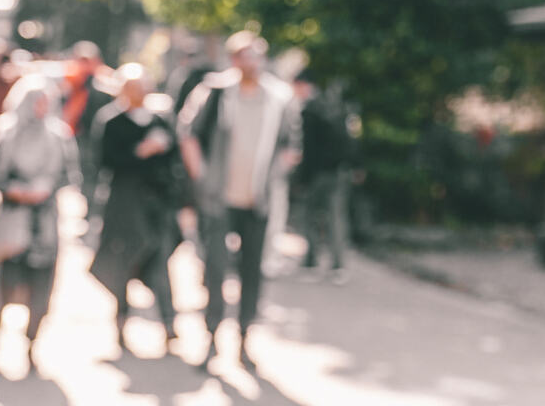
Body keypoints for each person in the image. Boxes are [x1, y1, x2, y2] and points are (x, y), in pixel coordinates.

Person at [178, 30, 300, 370]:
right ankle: (212, 337)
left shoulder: (278, 97)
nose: (252, 62)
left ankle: (245, 340)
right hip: (219, 199)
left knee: (252, 272)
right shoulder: (215, 92)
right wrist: (202, 176)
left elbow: (292, 146)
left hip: (257, 200)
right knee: (215, 269)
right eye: (245, 55)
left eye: (257, 55)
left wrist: (274, 178)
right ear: (234, 59)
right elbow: (188, 133)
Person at [89, 64, 186, 354]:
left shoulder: (160, 120)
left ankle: (169, 324)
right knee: (124, 262)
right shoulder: (111, 121)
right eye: (133, 88)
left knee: (159, 261)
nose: (139, 93)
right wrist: (141, 151)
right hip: (124, 202)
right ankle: (120, 324)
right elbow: (105, 161)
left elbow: (174, 158)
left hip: (157, 203)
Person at [0, 74, 80, 366]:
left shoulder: (59, 136)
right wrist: (16, 190)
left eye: (46, 102)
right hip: (14, 220)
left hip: (44, 224)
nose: (41, 108)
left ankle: (31, 345)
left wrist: (45, 189)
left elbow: (70, 176)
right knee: (7, 283)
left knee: (40, 288)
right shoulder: (6, 131)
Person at [291, 68, 353, 283]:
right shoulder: (334, 107)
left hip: (316, 173)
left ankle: (311, 261)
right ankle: (338, 266)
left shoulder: (309, 110)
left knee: (309, 217)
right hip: (337, 171)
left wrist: (301, 179)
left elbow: (308, 149)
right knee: (336, 218)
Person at [62, 40, 115, 234]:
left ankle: (94, 214)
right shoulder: (73, 81)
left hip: (95, 138)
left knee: (93, 176)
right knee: (83, 176)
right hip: (77, 134)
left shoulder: (104, 82)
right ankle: (89, 212)